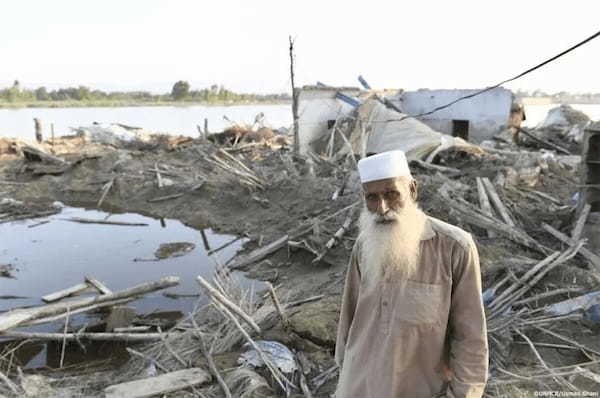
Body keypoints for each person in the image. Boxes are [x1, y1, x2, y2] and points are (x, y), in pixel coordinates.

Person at [335, 150, 488, 398]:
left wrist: (464, 394)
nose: (382, 208)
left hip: (419, 388)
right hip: (359, 385)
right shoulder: (364, 245)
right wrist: (342, 374)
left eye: (391, 194)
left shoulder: (454, 247)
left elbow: (470, 336)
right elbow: (349, 318)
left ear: (413, 190)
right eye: (371, 198)